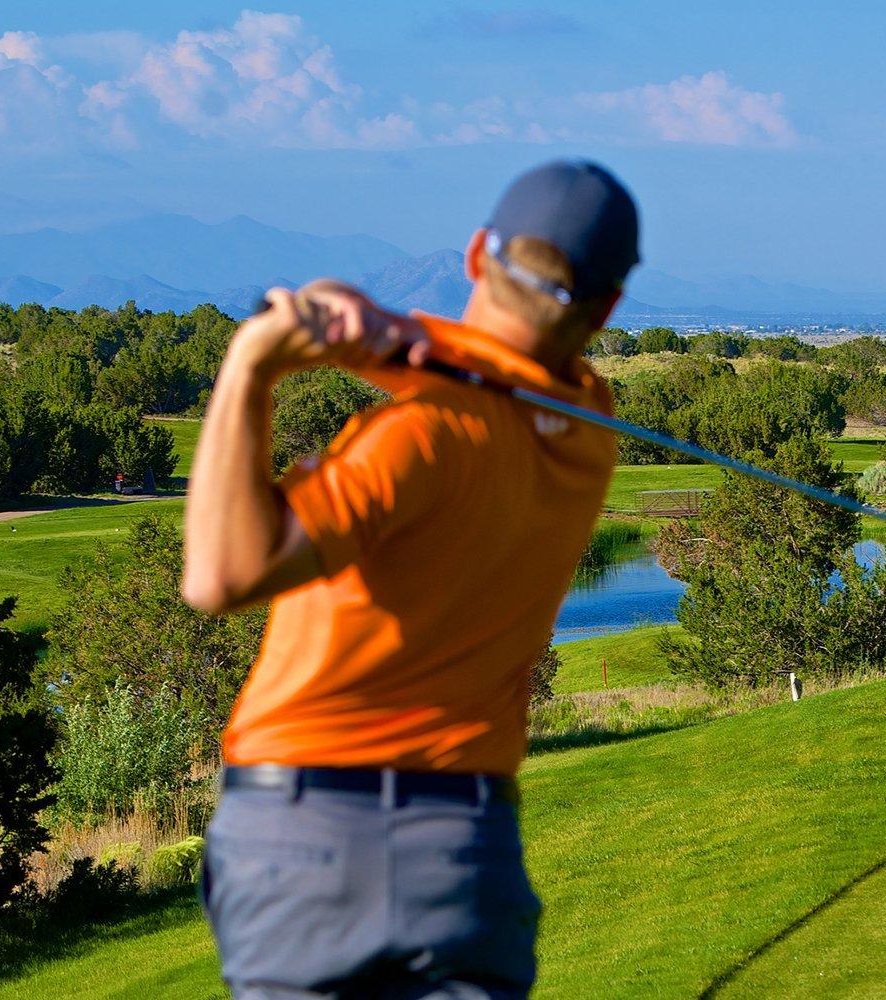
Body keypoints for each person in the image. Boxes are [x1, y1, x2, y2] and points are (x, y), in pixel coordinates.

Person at [181, 160, 638, 999]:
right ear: (608, 307)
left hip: (302, 830)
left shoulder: (415, 437)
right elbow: (448, 355)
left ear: (474, 255)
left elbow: (220, 574)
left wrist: (249, 367)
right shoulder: (589, 426)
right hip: (465, 850)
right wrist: (356, 312)